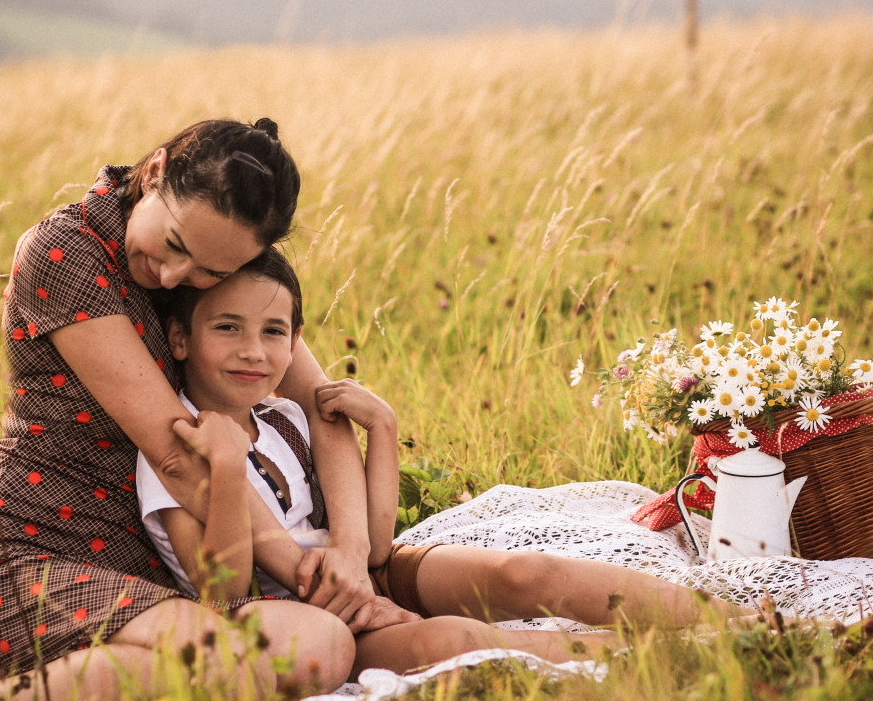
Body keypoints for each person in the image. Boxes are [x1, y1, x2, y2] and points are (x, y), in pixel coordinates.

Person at [138, 247, 752, 677]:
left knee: (527, 574)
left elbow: (376, 544)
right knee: (458, 640)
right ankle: (679, 661)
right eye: (227, 327)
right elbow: (220, 594)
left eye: (274, 333)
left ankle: (746, 625)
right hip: (304, 620)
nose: (254, 352)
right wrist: (223, 469)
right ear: (179, 338)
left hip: (365, 579)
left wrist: (383, 428)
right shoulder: (176, 450)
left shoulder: (285, 420)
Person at [0, 118, 376, 700]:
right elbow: (180, 459)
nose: (172, 276)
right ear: (156, 172)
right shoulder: (66, 256)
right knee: (226, 664)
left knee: (304, 653)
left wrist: (351, 551)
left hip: (151, 575)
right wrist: (315, 576)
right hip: (19, 558)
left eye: (209, 272)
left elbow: (319, 406)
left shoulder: (223, 245)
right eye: (174, 246)